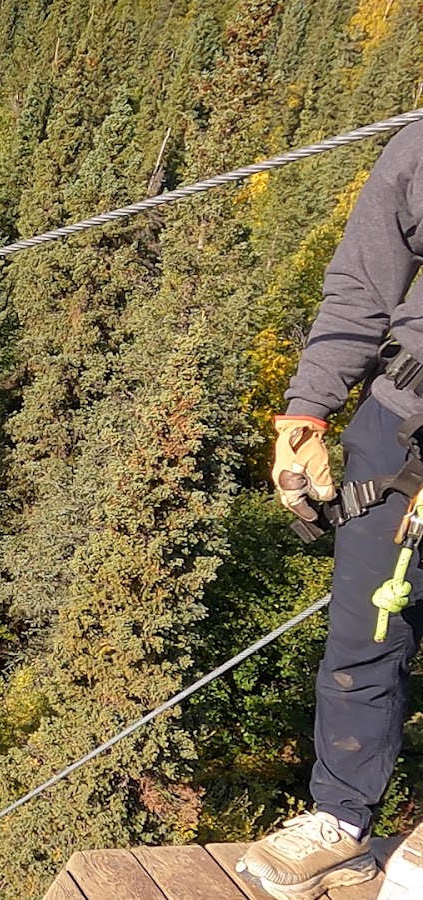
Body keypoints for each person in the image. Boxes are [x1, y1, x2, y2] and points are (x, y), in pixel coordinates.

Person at [238, 120, 423, 900]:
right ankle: (342, 825)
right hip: (402, 419)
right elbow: (361, 282)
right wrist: (305, 414)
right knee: (363, 635)